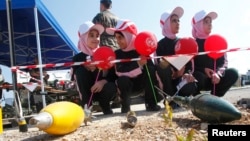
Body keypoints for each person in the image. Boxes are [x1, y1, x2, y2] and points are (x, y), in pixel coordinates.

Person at [106, 19, 162, 113]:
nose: (118, 41)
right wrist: (138, 64)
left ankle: (151, 103)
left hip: (141, 85)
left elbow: (153, 72)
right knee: (122, 79)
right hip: (127, 88)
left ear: (129, 36)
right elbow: (120, 72)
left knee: (150, 69)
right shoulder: (117, 54)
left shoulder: (141, 49)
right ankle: (125, 107)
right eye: (116, 38)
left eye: (120, 37)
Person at [71, 21, 117, 115]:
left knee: (111, 86)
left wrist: (103, 81)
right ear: (83, 37)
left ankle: (105, 106)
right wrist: (85, 69)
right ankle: (86, 107)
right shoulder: (77, 58)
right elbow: (73, 78)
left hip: (103, 90)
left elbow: (113, 75)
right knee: (80, 72)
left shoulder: (105, 53)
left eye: (97, 35)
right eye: (91, 35)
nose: (96, 39)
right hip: (86, 92)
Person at [191, 10, 239, 97]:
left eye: (210, 22)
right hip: (201, 79)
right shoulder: (192, 44)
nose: (210, 24)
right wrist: (203, 70)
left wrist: (217, 73)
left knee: (234, 73)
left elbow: (224, 63)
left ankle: (215, 97)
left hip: (215, 79)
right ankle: (197, 99)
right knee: (197, 76)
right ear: (198, 25)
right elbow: (190, 66)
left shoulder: (216, 41)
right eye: (206, 22)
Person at [155, 6, 198, 102]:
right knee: (163, 66)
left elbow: (190, 63)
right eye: (174, 21)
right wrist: (175, 70)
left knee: (191, 85)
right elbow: (160, 64)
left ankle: (179, 99)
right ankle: (170, 99)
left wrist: (187, 73)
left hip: (180, 79)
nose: (178, 23)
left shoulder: (183, 41)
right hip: (167, 82)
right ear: (165, 24)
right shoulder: (159, 45)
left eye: (178, 21)